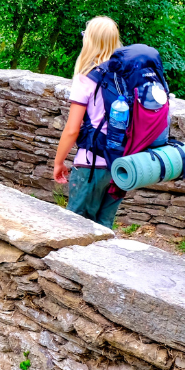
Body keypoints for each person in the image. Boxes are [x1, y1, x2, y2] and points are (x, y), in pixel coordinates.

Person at [52, 16, 124, 229]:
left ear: (90, 41)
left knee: (75, 228)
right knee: (104, 228)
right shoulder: (126, 77)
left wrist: (58, 162)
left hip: (90, 165)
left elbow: (72, 129)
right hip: (119, 167)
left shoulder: (86, 79)